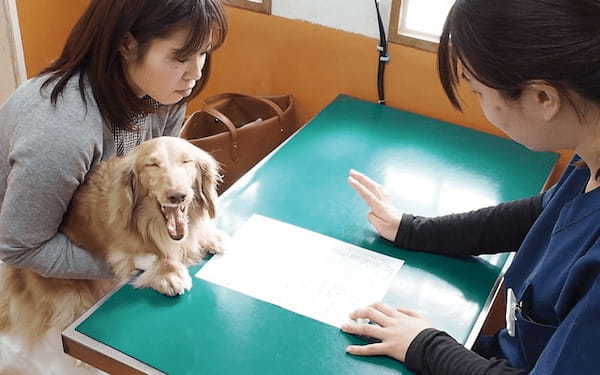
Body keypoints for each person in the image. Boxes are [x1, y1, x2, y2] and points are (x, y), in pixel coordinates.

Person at [342, 0, 600, 373]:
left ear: (543, 98)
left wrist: (424, 344)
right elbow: (538, 215)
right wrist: (411, 228)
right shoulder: (588, 159)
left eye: (478, 91)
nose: (479, 103)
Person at [0, 0, 227, 279]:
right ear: (127, 44)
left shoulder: (166, 95)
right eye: (181, 58)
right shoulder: (60, 133)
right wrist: (139, 265)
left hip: (97, 238)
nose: (195, 73)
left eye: (203, 53)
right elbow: (19, 248)